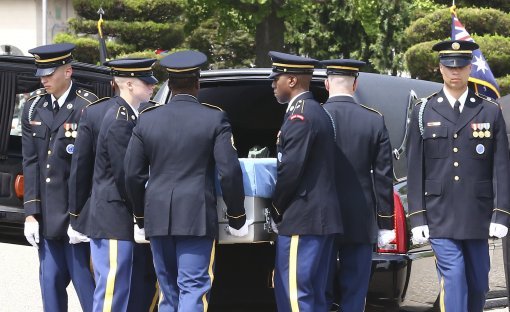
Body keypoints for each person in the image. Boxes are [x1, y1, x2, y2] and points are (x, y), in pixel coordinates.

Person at [124, 50, 249, 311]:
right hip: (195, 217)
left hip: (157, 216)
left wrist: (140, 217)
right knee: (193, 288)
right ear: (198, 83)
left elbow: (133, 174)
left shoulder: (147, 120)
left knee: (168, 292)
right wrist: (237, 215)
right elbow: (229, 171)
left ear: (169, 84)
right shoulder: (214, 118)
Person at [407, 40, 510, 311]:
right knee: (453, 280)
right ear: (440, 69)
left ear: (468, 70)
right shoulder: (423, 110)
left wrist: (501, 212)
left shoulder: (488, 110)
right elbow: (415, 165)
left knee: (478, 284)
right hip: (440, 213)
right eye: (449, 66)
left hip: (477, 213)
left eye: (462, 66)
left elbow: (500, 166)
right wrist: (417, 215)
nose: (455, 72)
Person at [68, 76, 159, 311]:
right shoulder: (121, 120)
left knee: (117, 291)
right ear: (128, 84)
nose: (152, 87)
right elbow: (126, 175)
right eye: (146, 82)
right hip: (114, 216)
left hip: (115, 215)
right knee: (111, 293)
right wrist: (140, 213)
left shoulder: (128, 114)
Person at [21, 43, 97, 311]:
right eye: (41, 73)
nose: (44, 78)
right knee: (50, 289)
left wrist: (84, 217)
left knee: (88, 290)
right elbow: (31, 163)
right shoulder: (33, 107)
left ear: (68, 71)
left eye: (50, 72)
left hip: (79, 219)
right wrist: (31, 212)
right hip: (49, 220)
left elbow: (95, 168)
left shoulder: (88, 107)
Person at [267, 51, 343, 311]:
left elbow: (291, 169)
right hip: (316, 219)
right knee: (314, 297)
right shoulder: (312, 111)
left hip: (303, 219)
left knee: (295, 296)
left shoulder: (300, 116)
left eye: (275, 79)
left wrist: (275, 208)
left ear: (290, 81)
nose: (272, 85)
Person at [321, 59, 395, 311]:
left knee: (320, 288)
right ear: (355, 84)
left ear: (326, 83)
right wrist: (386, 223)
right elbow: (384, 176)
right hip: (360, 216)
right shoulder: (373, 120)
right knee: (355, 291)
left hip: (320, 216)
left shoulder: (313, 116)